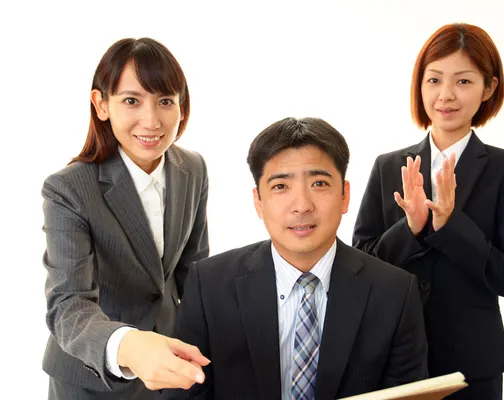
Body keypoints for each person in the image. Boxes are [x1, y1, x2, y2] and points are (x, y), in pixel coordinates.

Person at [162, 117, 428, 399]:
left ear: (344, 196)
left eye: (319, 183)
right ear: (258, 202)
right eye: (280, 187)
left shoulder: (395, 292)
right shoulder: (209, 286)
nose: (301, 205)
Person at [352, 23, 504, 400]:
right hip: (392, 357)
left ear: (489, 88)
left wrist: (452, 226)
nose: (445, 95)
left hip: (472, 365)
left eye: (464, 82)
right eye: (433, 80)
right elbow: (358, 268)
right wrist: (412, 229)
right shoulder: (389, 166)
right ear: (419, 85)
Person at [42, 37, 211, 399]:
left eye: (165, 101)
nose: (151, 121)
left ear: (183, 106)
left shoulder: (193, 169)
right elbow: (67, 305)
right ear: (101, 105)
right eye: (131, 101)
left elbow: (194, 274)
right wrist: (130, 346)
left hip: (169, 369)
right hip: (89, 376)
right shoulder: (68, 189)